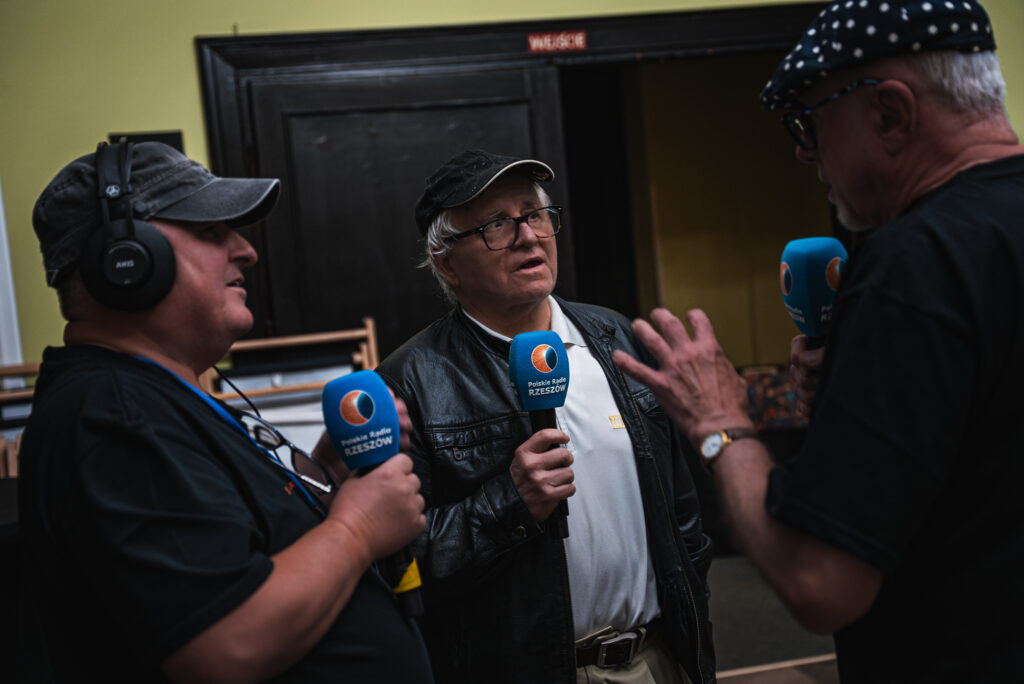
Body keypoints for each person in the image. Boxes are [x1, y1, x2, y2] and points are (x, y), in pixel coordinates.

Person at [613, 1, 1024, 681]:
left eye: (812, 120)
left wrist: (719, 422)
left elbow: (821, 581)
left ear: (889, 112)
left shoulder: (914, 262)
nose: (805, 150)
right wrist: (868, 394)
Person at [18, 141, 432, 682]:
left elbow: (253, 545)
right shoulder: (113, 416)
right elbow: (225, 646)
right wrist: (357, 530)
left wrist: (328, 474)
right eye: (212, 232)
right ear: (127, 260)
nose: (247, 251)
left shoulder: (152, 397)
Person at [375, 149, 714, 684]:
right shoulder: (408, 383)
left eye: (534, 215)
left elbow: (682, 515)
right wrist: (510, 503)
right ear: (446, 263)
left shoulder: (617, 338)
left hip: (658, 660)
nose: (528, 237)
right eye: (495, 225)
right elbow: (401, 568)